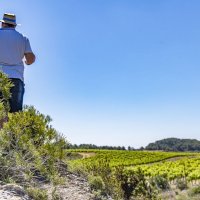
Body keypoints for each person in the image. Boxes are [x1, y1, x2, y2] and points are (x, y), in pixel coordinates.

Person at [0, 13, 35, 113]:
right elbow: (30, 59)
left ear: (3, 24)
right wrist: (26, 62)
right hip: (15, 78)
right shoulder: (23, 38)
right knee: (14, 116)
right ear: (14, 25)